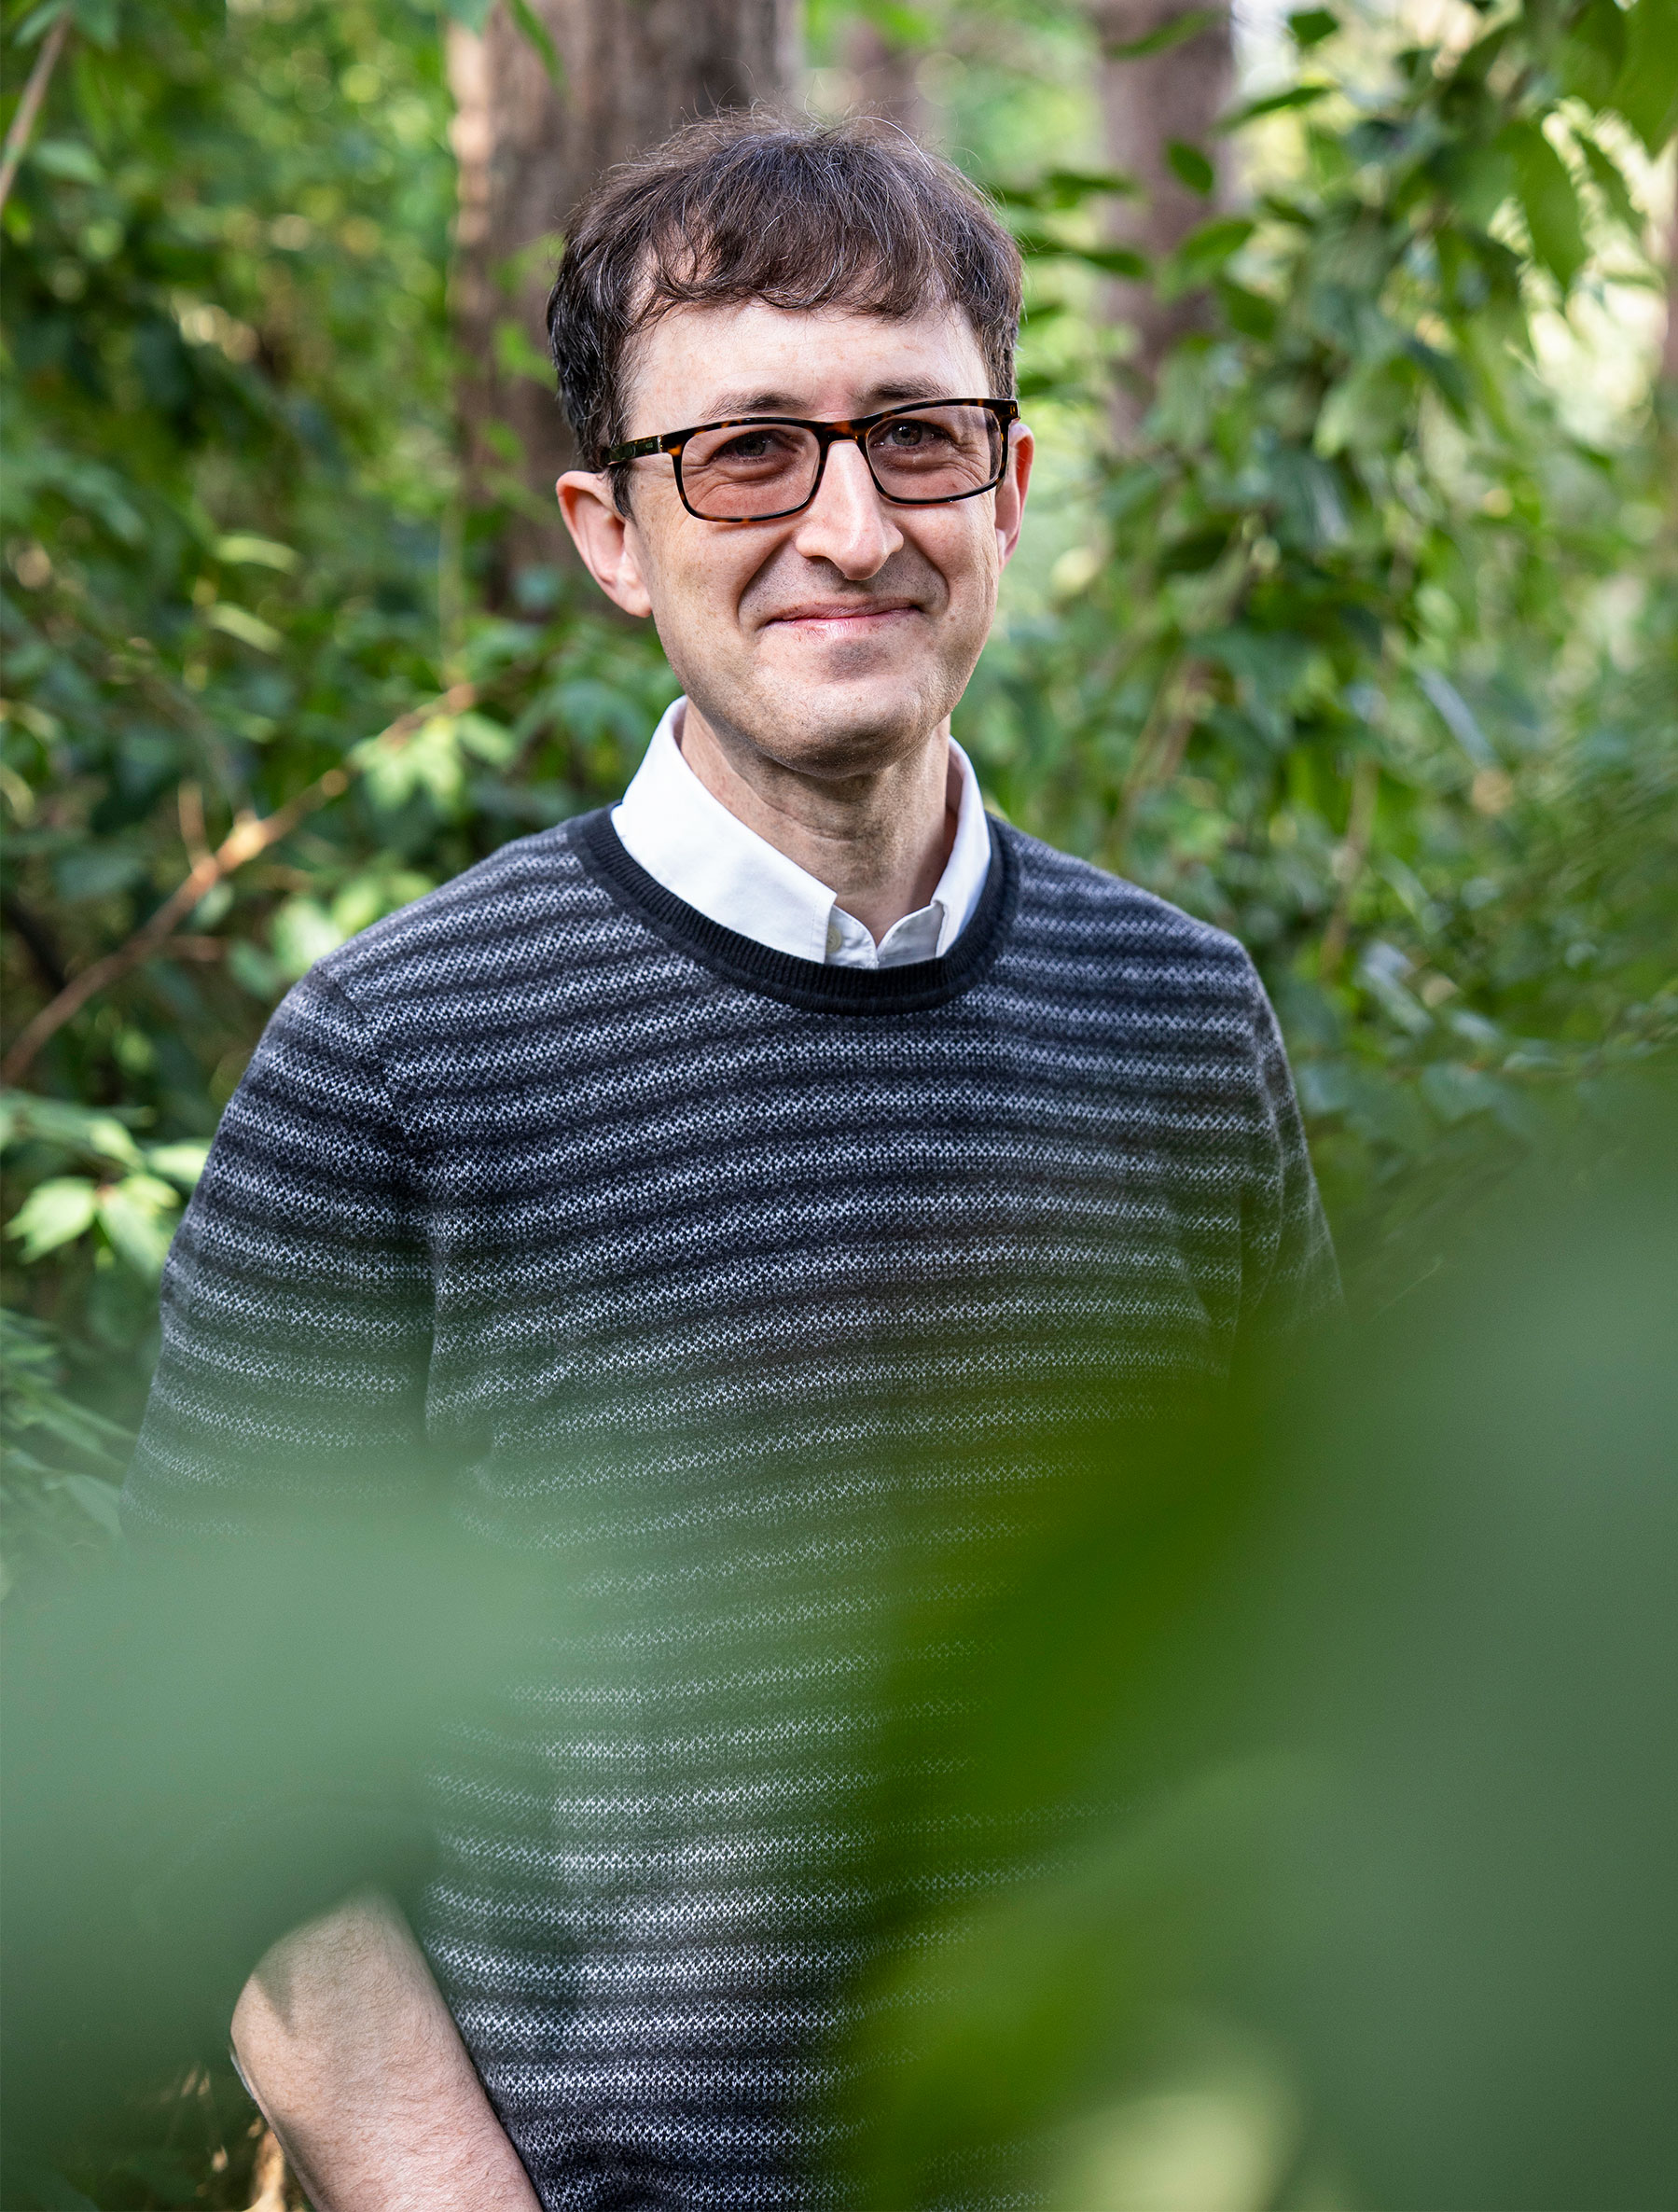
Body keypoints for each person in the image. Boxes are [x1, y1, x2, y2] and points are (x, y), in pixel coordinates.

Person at [122, 115, 1337, 2211]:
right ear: (611, 531)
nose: (851, 523)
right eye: (750, 450)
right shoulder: (394, 1059)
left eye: (917, 438)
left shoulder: (1184, 1022)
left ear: (1011, 485)